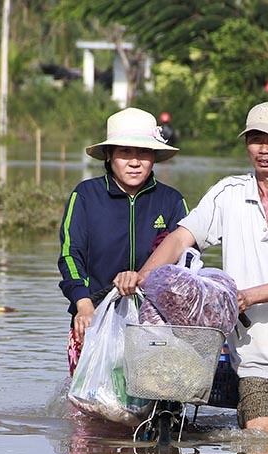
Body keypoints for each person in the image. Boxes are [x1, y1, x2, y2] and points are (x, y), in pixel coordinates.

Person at [114, 102, 268, 433]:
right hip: (254, 357)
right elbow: (180, 238)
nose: (263, 149)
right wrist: (143, 278)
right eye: (256, 140)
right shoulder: (228, 194)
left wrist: (244, 298)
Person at [58, 107, 188, 375]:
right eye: (125, 152)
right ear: (109, 155)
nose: (135, 162)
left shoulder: (172, 201)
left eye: (143, 153)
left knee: (155, 406)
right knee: (94, 408)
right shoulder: (85, 196)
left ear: (154, 157)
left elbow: (186, 265)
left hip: (154, 326)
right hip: (93, 318)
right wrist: (83, 303)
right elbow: (70, 256)